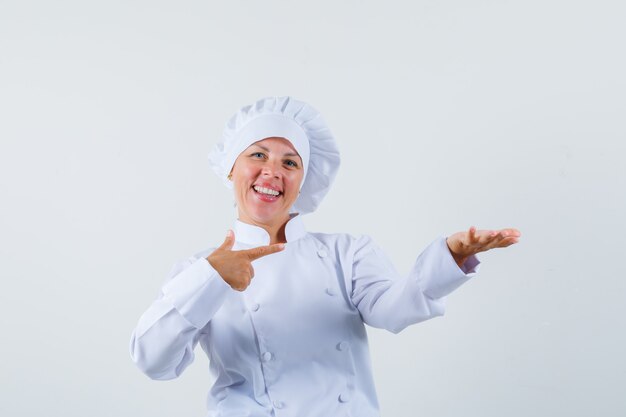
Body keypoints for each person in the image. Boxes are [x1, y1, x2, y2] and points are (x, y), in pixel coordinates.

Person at [129, 96, 521, 417]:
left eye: (290, 162)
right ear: (231, 168)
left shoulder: (345, 253)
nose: (272, 172)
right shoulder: (198, 271)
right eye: (258, 155)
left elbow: (395, 309)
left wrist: (449, 257)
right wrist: (212, 277)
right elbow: (154, 362)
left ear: (305, 182)